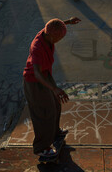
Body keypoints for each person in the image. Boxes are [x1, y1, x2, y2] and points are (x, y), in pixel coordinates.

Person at [23, 17, 81, 158]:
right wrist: (54, 89)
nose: (59, 41)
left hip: (45, 75)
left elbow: (53, 24)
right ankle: (41, 147)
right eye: (58, 38)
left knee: (56, 104)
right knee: (44, 113)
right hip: (35, 81)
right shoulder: (37, 47)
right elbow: (36, 73)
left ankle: (54, 132)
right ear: (50, 35)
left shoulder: (47, 31)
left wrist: (67, 22)